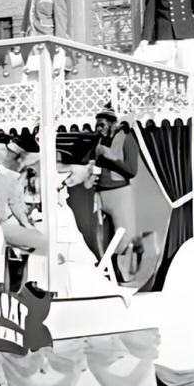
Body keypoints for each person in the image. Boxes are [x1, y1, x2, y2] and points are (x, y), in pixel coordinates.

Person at [80, 105, 141, 279]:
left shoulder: (126, 139)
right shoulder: (98, 141)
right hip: (99, 193)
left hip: (119, 193)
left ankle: (121, 271)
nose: (99, 128)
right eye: (97, 124)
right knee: (98, 237)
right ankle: (104, 270)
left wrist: (110, 156)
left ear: (112, 124)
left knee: (124, 235)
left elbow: (132, 170)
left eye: (102, 124)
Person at [21, 0, 70, 75]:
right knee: (31, 79)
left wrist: (59, 46)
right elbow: (26, 16)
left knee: (50, 80)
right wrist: (23, 36)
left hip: (48, 45)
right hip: (31, 42)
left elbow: (61, 21)